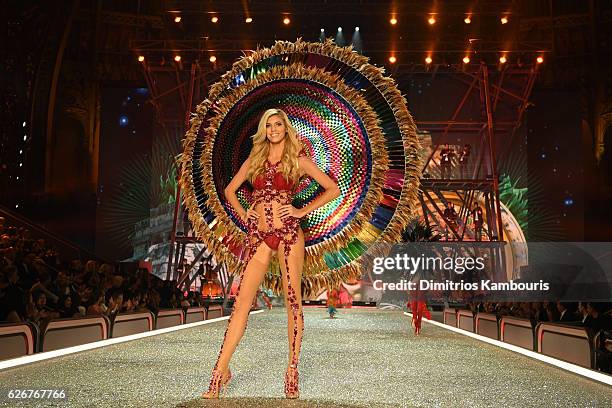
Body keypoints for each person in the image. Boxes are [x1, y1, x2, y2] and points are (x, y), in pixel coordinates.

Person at [202, 108, 340, 399]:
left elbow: (331, 189)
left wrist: (301, 210)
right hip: (259, 237)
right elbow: (229, 191)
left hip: (289, 233)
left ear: (285, 129)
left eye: (279, 124)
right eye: (269, 125)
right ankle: (219, 372)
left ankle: (291, 371)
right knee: (242, 304)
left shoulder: (299, 160)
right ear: (263, 130)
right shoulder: (254, 160)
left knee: (293, 301)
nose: (274, 128)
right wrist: (244, 214)